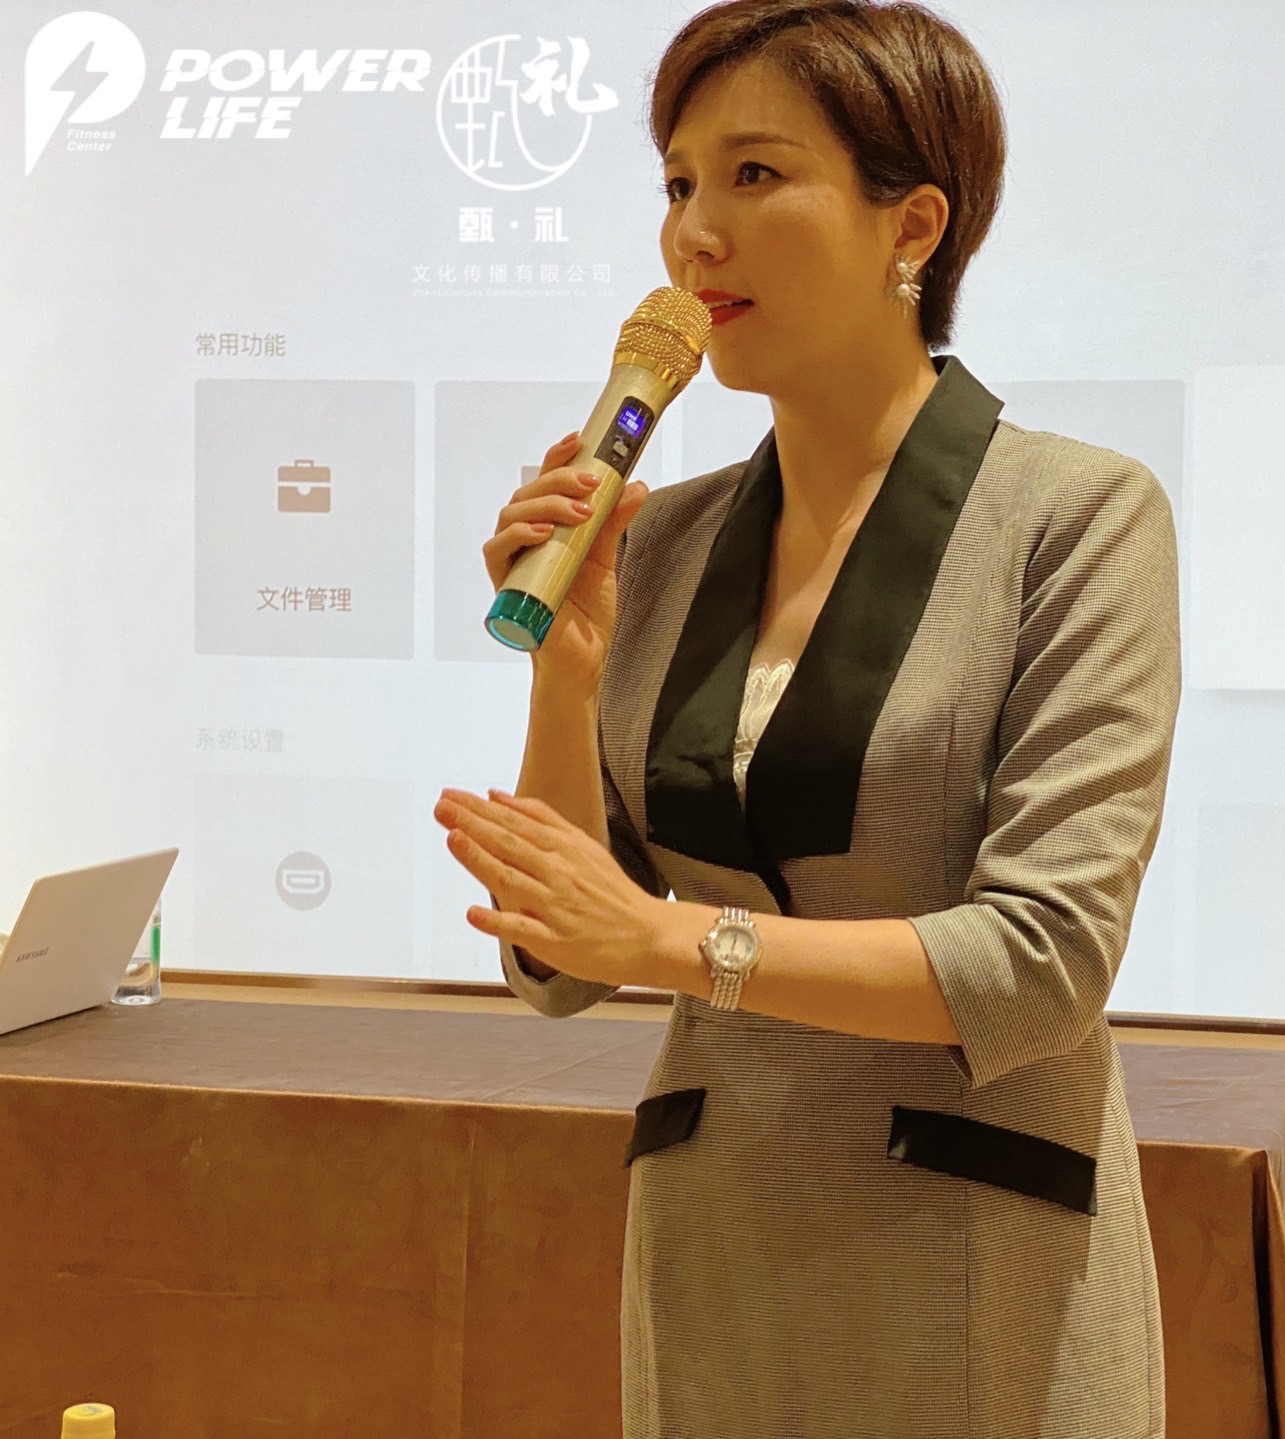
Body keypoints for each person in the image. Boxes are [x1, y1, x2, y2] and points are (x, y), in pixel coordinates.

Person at [432, 2, 1181, 1434]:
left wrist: (671, 943)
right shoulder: (663, 539)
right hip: (718, 1249)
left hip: (975, 1260)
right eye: (678, 184)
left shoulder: (1078, 515)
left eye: (755, 176)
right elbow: (558, 965)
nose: (693, 236)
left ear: (915, 226)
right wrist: (565, 673)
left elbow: (1044, 961)